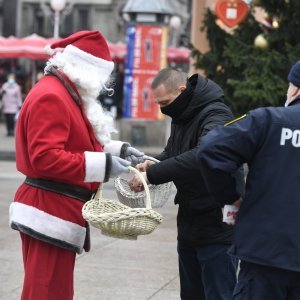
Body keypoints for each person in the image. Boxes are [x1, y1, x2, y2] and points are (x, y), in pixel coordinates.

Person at [9, 30, 144, 300]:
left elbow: (76, 143)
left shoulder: (64, 92)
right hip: (48, 210)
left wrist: (119, 151)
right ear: (87, 69)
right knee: (44, 292)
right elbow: (45, 157)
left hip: (56, 210)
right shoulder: (53, 96)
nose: (102, 84)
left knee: (55, 292)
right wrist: (105, 166)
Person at [129, 68, 245, 299]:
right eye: (158, 104)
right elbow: (173, 150)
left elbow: (203, 155)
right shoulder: (181, 114)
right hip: (190, 221)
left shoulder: (216, 114)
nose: (163, 109)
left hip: (218, 222)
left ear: (182, 91)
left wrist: (154, 174)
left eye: (166, 102)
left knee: (219, 292)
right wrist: (151, 163)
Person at [195, 60, 300, 299]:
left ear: (295, 90)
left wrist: (230, 198)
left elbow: (211, 150)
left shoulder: (269, 120)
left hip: (265, 254)